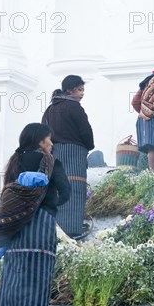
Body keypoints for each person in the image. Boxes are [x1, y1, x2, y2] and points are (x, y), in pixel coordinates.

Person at [0, 123, 70, 306]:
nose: (51, 143)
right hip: (42, 222)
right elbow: (65, 192)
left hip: (16, 222)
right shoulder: (51, 162)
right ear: (40, 141)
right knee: (38, 271)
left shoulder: (15, 161)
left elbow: (7, 194)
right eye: (49, 139)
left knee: (13, 269)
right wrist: (49, 204)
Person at [41, 75, 94, 239]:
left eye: (83, 90)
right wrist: (89, 145)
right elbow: (85, 130)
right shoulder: (74, 107)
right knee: (75, 191)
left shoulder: (50, 110)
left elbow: (43, 132)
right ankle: (72, 230)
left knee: (58, 189)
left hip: (55, 154)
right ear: (70, 90)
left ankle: (57, 231)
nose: (82, 93)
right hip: (75, 153)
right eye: (79, 90)